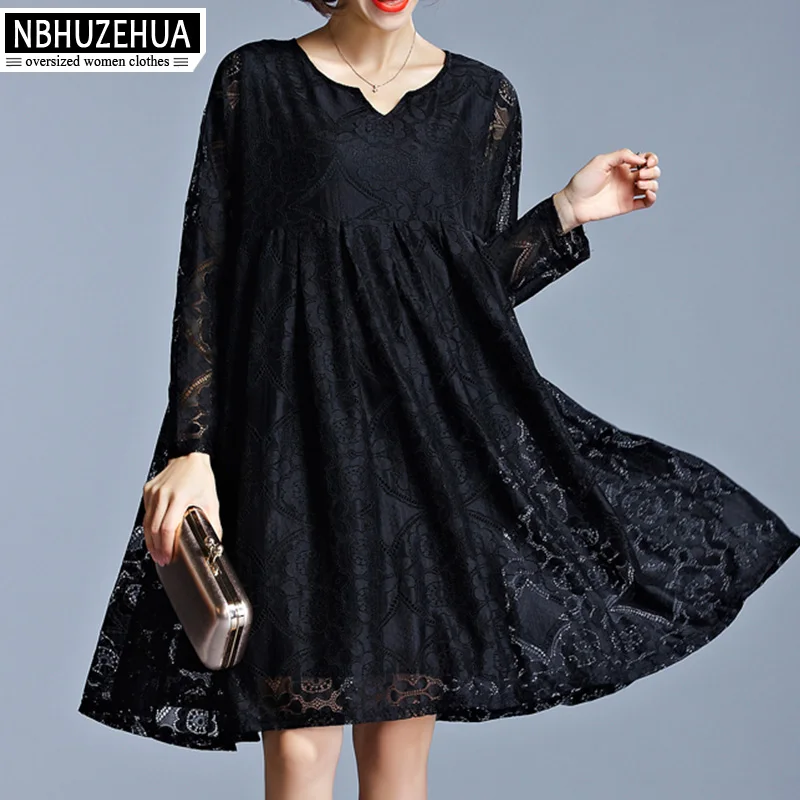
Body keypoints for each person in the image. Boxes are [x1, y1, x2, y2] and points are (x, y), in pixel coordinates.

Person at [78, 1, 800, 798]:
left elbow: (457, 307)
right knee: (300, 756)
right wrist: (192, 448)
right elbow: (206, 274)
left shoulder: (481, 103)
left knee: (398, 763)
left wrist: (567, 212)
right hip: (289, 457)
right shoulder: (258, 82)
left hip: (413, 468)